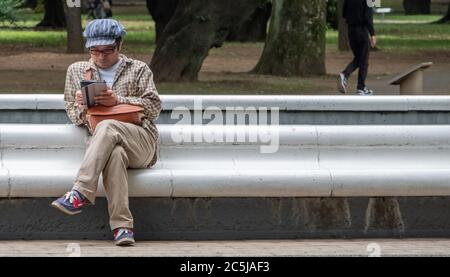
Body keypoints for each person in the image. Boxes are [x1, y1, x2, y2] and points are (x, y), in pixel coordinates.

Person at [51, 19, 161, 246]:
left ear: (119, 45)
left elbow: (154, 107)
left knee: (108, 125)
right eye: (94, 50)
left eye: (107, 50)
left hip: (140, 141)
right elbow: (72, 113)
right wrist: (83, 106)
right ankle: (122, 228)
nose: (100, 56)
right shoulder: (77, 71)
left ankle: (80, 192)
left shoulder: (138, 69)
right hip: (105, 146)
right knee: (115, 154)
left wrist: (117, 100)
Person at [338, 0, 377, 96]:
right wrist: (372, 34)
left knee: (359, 58)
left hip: (351, 31)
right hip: (362, 31)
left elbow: (344, 14)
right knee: (364, 60)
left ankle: (346, 76)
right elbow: (368, 16)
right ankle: (360, 87)